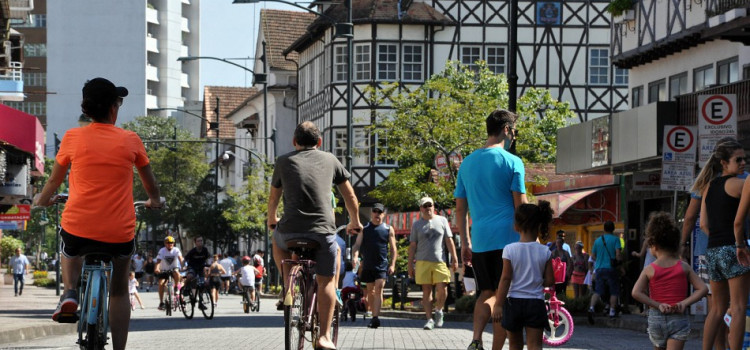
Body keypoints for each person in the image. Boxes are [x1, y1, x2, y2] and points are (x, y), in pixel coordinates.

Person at [34, 77, 162, 350]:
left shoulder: (72, 137)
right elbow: (150, 183)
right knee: (118, 291)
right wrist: (154, 200)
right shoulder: (131, 140)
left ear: (88, 108)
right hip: (119, 233)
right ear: (114, 108)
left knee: (68, 248)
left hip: (79, 228)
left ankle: (70, 292)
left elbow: (54, 182)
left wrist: (42, 201)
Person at [268, 121, 362, 350]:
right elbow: (350, 196)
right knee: (327, 281)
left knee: (277, 241)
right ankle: (324, 337)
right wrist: (355, 222)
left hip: (290, 229)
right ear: (319, 142)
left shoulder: (283, 161)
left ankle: (288, 284)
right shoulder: (331, 159)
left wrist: (272, 220)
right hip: (322, 233)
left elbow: (273, 199)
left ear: (294, 142)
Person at [454, 109, 527, 350]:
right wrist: (530, 240)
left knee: (485, 292)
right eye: (513, 131)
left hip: (481, 239)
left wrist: (465, 242)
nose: (514, 136)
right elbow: (521, 207)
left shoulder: (466, 163)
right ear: (506, 130)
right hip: (508, 239)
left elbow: (461, 210)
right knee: (502, 296)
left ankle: (476, 339)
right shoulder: (513, 161)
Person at [698, 139, 750, 350]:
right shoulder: (742, 184)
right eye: (738, 159)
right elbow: (738, 223)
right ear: (724, 163)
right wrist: (739, 246)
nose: (743, 163)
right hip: (734, 249)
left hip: (713, 250)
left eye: (745, 159)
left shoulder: (708, 186)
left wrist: (719, 242)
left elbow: (703, 224)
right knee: (738, 307)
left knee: (717, 309)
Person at [632, 212, 708, 350]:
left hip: (656, 316)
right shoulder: (684, 267)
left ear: (653, 245)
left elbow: (636, 293)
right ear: (675, 244)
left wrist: (657, 304)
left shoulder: (649, 269)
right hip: (678, 316)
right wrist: (684, 303)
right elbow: (703, 289)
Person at [491, 201, 555, 350]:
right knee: (535, 345)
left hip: (513, 303)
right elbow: (550, 281)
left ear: (516, 226)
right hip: (536, 303)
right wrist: (537, 281)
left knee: (514, 345)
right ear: (539, 225)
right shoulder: (545, 251)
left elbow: (506, 279)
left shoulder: (509, 250)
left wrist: (499, 305)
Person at [407, 196, 459, 330]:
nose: (427, 208)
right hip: (422, 261)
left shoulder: (442, 220)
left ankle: (439, 310)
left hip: (439, 260)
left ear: (433, 206)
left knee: (443, 288)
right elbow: (413, 245)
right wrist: (410, 265)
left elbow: (449, 240)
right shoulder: (417, 224)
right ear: (421, 209)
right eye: (425, 206)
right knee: (426, 290)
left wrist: (454, 257)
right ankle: (429, 319)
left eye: (429, 205)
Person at [351, 202, 398, 329]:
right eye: (375, 211)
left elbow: (393, 249)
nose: (377, 214)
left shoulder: (388, 229)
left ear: (384, 214)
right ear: (372, 213)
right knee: (370, 291)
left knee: (378, 289)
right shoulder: (364, 229)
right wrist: (355, 256)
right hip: (368, 265)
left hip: (382, 265)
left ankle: (376, 318)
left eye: (380, 212)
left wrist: (392, 264)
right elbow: (356, 245)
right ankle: (373, 315)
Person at [587, 221, 622, 323]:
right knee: (614, 290)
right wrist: (619, 262)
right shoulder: (616, 239)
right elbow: (618, 254)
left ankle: (591, 308)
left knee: (598, 291)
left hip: (599, 269)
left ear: (604, 229)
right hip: (611, 268)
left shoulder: (598, 240)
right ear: (613, 229)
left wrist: (600, 259)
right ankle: (611, 312)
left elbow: (593, 256)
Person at [154, 236, 184, 310]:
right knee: (161, 284)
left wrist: (183, 266)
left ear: (173, 243)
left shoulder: (176, 250)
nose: (169, 244)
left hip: (173, 269)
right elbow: (158, 262)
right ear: (165, 243)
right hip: (164, 270)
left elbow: (181, 259)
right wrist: (157, 268)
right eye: (168, 243)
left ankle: (176, 287)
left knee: (176, 273)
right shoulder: (162, 251)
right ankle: (161, 302)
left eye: (171, 243)